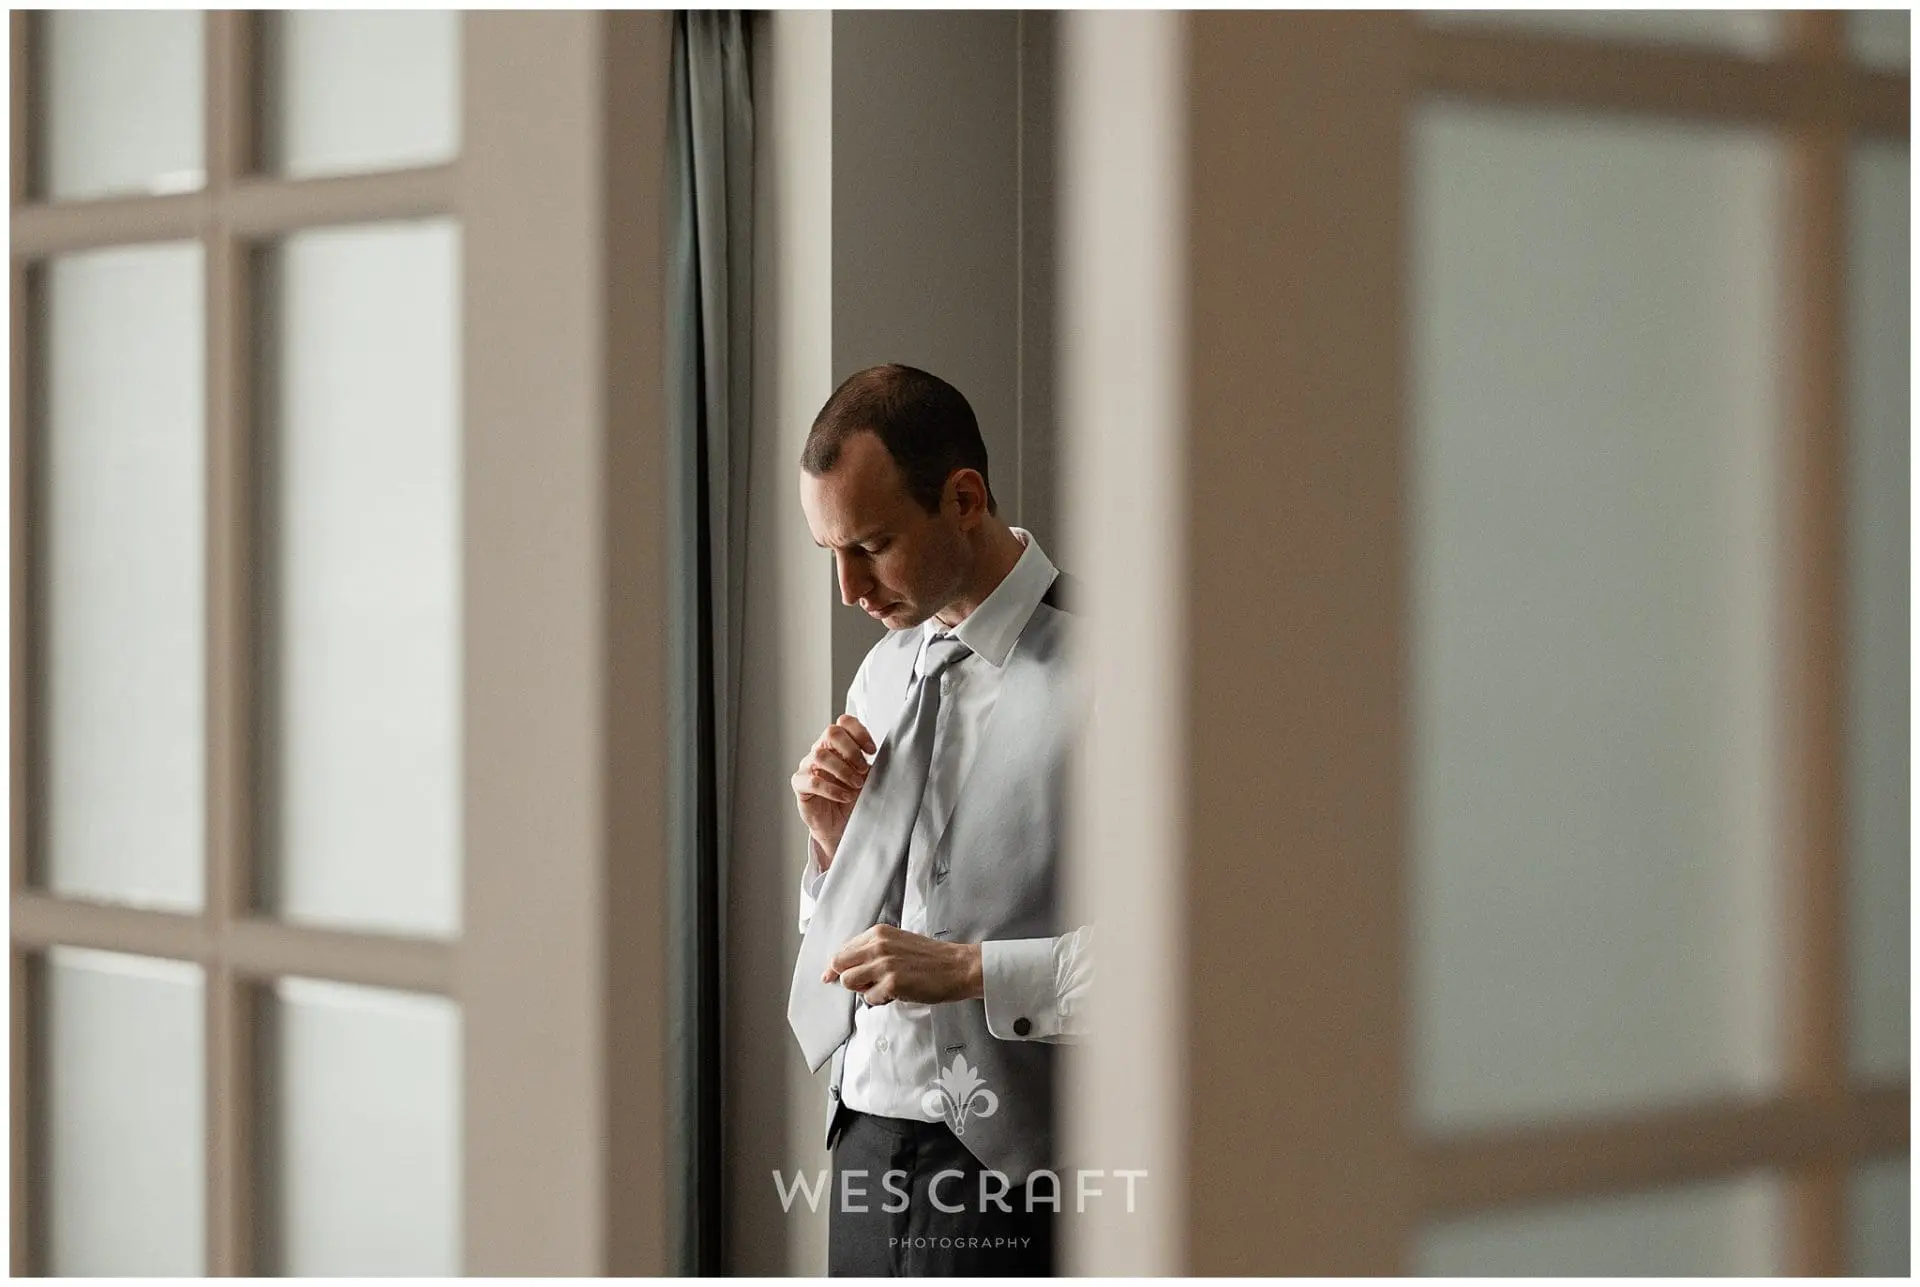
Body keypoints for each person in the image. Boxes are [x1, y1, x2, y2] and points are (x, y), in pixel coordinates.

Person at [786, 364, 1092, 1276]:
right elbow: (854, 935)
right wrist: (833, 850)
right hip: (863, 1141)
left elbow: (1189, 957)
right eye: (831, 553)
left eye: (871, 545)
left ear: (964, 498)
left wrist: (968, 971)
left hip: (1014, 1168)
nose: (849, 589)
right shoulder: (885, 671)